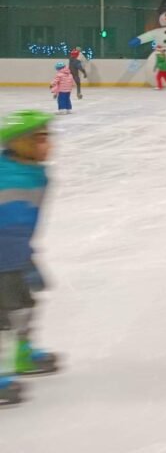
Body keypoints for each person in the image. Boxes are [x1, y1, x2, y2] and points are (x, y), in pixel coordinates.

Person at [1, 109, 61, 406]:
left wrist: (25, 256)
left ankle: (21, 355)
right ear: (21, 143)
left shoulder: (33, 173)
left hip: (15, 252)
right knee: (3, 317)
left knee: (25, 304)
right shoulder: (7, 177)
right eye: (40, 138)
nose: (49, 144)